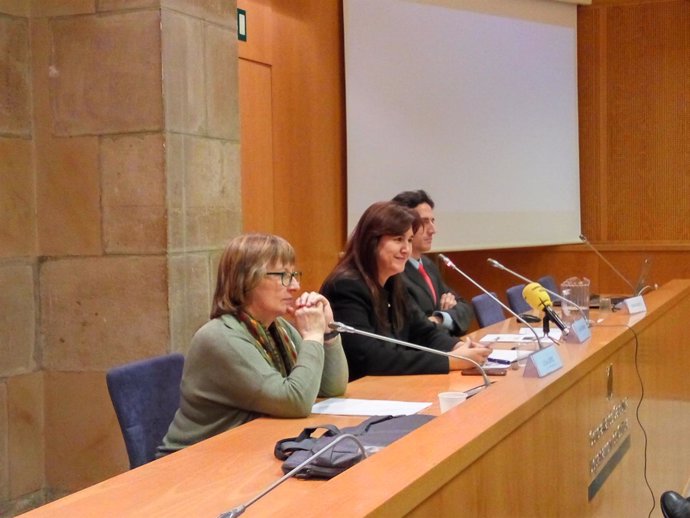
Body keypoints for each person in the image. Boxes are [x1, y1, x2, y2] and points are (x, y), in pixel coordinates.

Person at [158, 233, 348, 455]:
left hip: (245, 451)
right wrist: (312, 336)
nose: (295, 286)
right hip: (193, 462)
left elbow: (332, 387)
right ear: (247, 280)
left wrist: (326, 332)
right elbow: (296, 401)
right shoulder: (221, 338)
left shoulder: (279, 329)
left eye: (294, 275)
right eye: (283, 276)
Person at [321, 201, 491, 381]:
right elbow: (368, 358)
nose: (406, 249)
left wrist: (458, 347)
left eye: (409, 240)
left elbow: (423, 331)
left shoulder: (393, 282)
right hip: (358, 392)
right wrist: (450, 361)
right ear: (372, 241)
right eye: (398, 239)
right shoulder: (346, 286)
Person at [392, 189, 474, 336]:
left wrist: (441, 317)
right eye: (424, 222)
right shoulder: (395, 272)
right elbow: (417, 328)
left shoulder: (428, 265)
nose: (433, 230)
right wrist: (444, 315)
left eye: (432, 221)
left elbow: (465, 308)